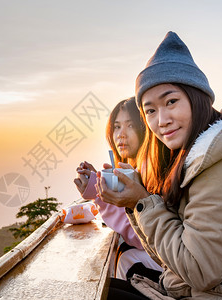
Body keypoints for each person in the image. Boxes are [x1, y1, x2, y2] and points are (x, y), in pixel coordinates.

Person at [96, 31, 222, 299]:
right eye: (150, 111)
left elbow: (198, 270)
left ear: (197, 98)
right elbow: (171, 259)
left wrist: (141, 202)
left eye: (171, 102)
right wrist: (137, 202)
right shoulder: (197, 158)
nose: (162, 120)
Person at [73, 97, 162, 283]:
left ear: (145, 129)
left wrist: (99, 194)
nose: (121, 134)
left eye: (130, 126)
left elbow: (140, 237)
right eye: (117, 126)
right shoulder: (136, 166)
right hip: (163, 259)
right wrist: (97, 184)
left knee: (126, 259)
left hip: (171, 266)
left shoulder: (152, 169)